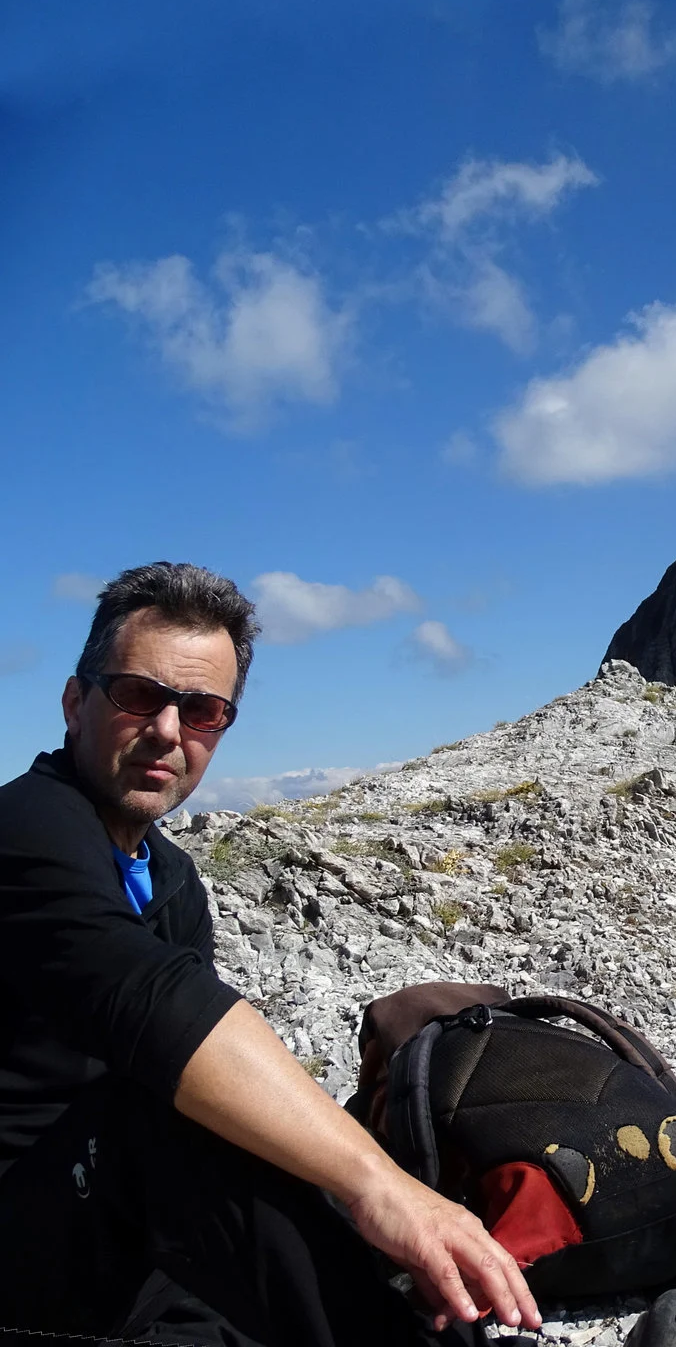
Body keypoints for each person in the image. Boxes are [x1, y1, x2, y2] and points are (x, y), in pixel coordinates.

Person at [0, 562, 540, 1347]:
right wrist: (379, 1188)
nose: (166, 732)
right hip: (25, 1233)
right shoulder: (25, 831)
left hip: (112, 1237)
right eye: (138, 696)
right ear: (75, 703)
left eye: (203, 711)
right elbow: (157, 1014)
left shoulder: (172, 879)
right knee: (177, 1109)